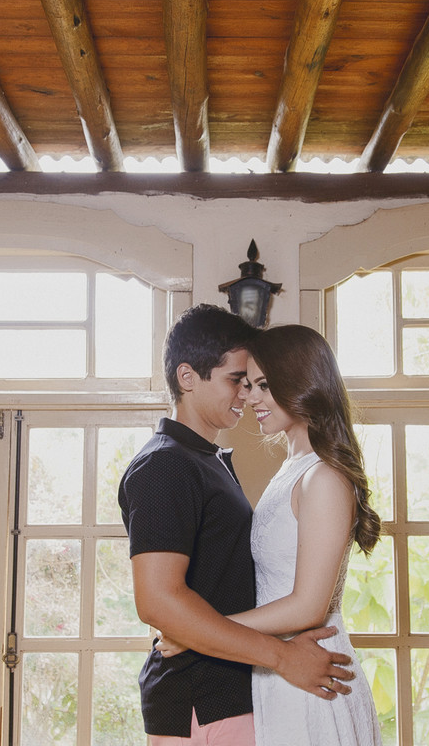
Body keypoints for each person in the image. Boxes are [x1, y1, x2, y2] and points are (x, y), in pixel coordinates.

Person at [119, 305, 356, 745]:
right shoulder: (166, 464)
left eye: (258, 384)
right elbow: (157, 601)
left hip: (242, 688)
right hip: (202, 694)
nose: (247, 396)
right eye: (238, 381)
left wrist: (270, 655)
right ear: (188, 377)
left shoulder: (209, 461)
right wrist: (280, 655)